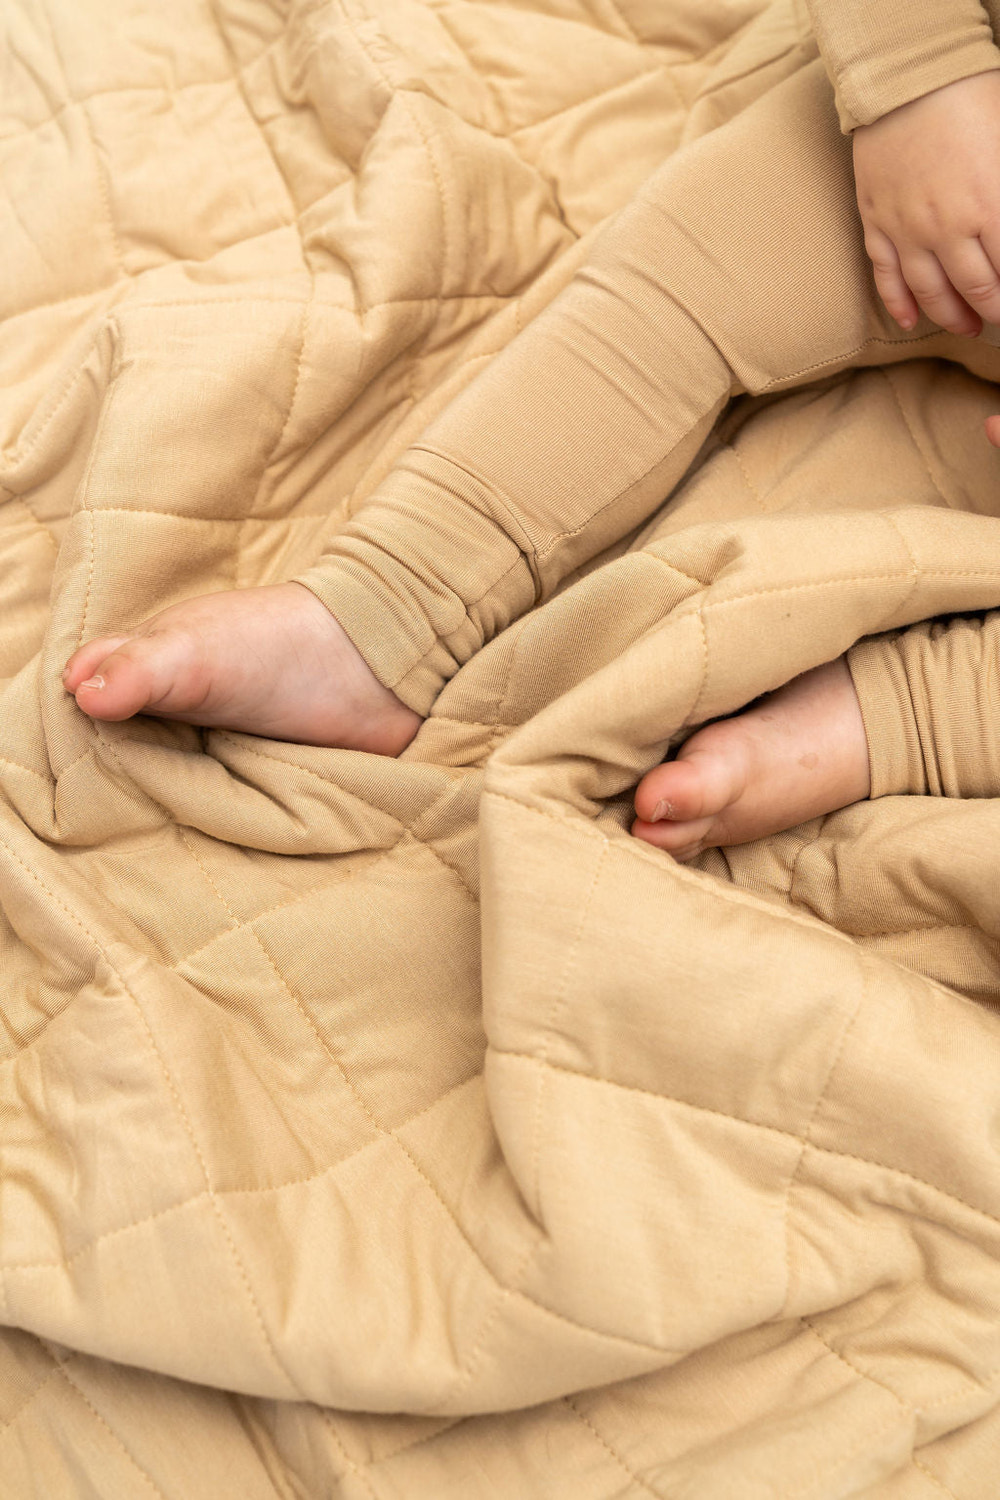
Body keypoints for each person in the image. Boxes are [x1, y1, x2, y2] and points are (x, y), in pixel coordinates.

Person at [62, 6, 1000, 845]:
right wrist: (917, 80)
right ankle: (385, 611)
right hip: (967, 122)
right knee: (697, 268)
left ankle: (900, 719)